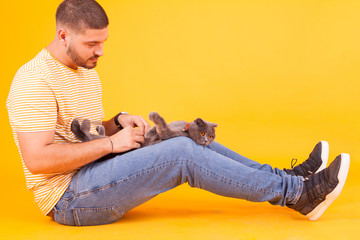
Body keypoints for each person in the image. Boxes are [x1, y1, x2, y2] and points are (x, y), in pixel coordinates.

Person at [6, 0, 350, 226]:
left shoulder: (84, 69)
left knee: (184, 134)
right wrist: (112, 145)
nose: (101, 51)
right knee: (181, 155)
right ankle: (297, 195)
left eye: (104, 42)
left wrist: (116, 123)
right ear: (63, 35)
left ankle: (291, 178)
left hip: (92, 173)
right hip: (69, 199)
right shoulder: (33, 81)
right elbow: (38, 159)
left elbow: (81, 133)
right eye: (92, 44)